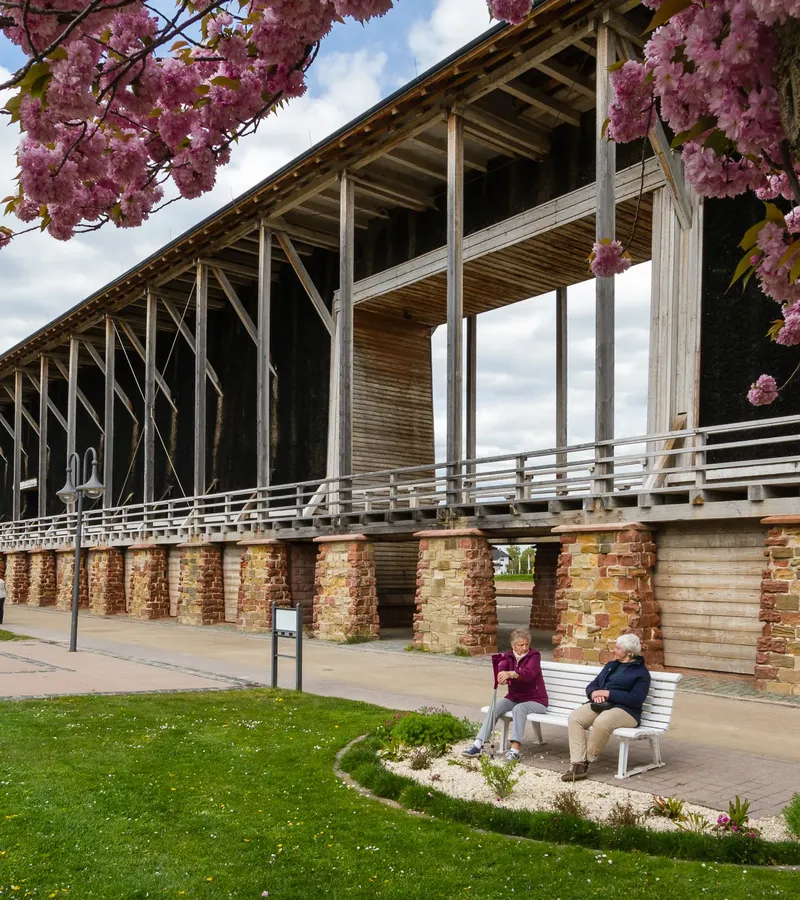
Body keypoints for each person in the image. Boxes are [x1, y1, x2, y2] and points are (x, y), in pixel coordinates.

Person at [562, 633, 651, 781]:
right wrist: (594, 693)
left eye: (618, 648)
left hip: (627, 711)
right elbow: (593, 685)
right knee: (575, 718)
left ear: (629, 652)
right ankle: (577, 762)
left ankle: (585, 762)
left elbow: (636, 699)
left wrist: (608, 693)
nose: (614, 650)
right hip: (601, 705)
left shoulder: (641, 673)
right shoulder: (612, 666)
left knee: (602, 722)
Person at [462, 628, 548, 762]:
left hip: (536, 700)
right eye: (521, 645)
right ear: (513, 646)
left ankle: (514, 751)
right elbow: (502, 666)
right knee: (496, 706)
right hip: (515, 697)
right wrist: (501, 675)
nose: (525, 648)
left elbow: (529, 673)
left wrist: (513, 674)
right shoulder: (508, 656)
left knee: (519, 709)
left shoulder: (534, 656)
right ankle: (478, 745)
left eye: (526, 644)